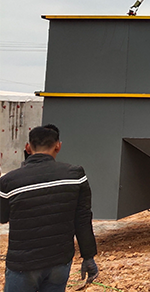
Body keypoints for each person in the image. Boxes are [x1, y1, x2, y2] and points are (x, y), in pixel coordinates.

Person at [0, 124, 99, 291]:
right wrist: (88, 257)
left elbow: (2, 217)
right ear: (58, 146)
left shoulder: (9, 181)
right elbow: (82, 220)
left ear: (28, 147)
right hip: (59, 262)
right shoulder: (75, 175)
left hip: (23, 264)